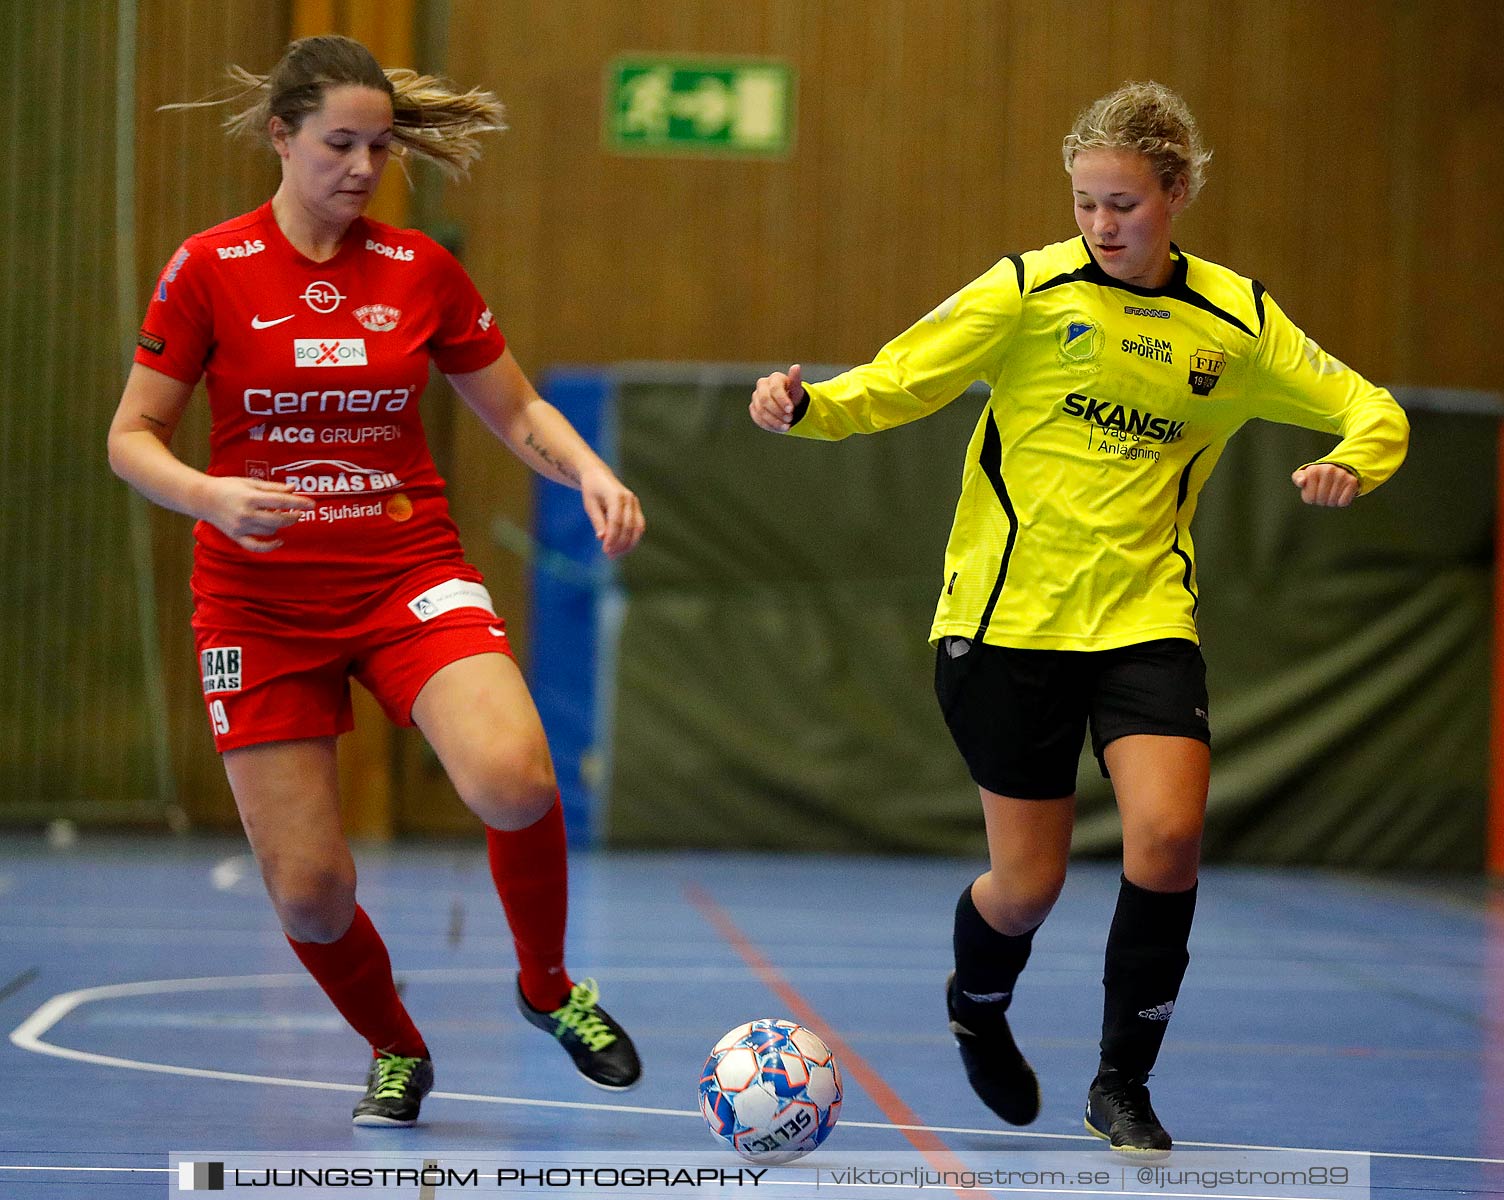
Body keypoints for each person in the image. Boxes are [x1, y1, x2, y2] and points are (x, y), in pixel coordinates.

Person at [750, 81, 1408, 1153]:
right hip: (1005, 621)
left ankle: (1121, 1082)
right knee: (1026, 885)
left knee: (1168, 835)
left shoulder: (1236, 321)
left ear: (1177, 192)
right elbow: (898, 382)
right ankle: (977, 1003)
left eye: (1124, 205)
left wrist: (1350, 459)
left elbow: (1368, 405)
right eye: (1085, 203)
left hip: (1144, 614)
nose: (1102, 226)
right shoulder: (1024, 290)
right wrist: (807, 406)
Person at [108, 35, 646, 1128]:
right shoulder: (210, 267)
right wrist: (210, 494)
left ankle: (548, 987)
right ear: (282, 137)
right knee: (309, 893)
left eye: (379, 146)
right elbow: (132, 437)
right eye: (339, 145)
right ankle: (395, 1048)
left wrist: (589, 469)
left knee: (514, 777)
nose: (361, 168)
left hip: (405, 572)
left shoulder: (417, 270)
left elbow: (518, 410)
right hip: (257, 608)